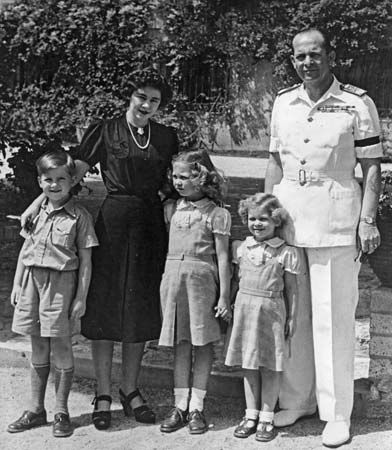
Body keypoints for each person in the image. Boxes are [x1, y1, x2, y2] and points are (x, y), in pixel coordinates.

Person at [20, 70, 179, 430]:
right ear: (130, 96)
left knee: (139, 308)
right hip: (114, 223)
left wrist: (173, 208)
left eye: (154, 100)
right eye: (141, 96)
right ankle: (104, 393)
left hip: (150, 227)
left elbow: (175, 182)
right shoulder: (106, 130)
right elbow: (70, 174)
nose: (146, 105)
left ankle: (131, 390)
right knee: (106, 308)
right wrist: (36, 205)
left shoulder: (167, 137)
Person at [265, 28, 383, 447]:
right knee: (294, 319)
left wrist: (367, 221)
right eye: (300, 56)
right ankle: (297, 400)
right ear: (293, 60)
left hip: (336, 221)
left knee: (333, 320)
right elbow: (276, 164)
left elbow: (372, 168)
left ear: (329, 56)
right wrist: (266, 216)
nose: (308, 62)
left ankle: (336, 413)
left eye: (315, 54)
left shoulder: (356, 102)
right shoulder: (283, 102)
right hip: (291, 222)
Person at [7, 150, 98, 438]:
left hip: (61, 285)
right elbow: (26, 251)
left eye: (61, 179)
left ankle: (61, 410)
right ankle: (36, 409)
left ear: (73, 181)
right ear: (39, 181)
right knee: (38, 347)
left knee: (61, 346)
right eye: (48, 179)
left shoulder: (79, 216)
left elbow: (86, 262)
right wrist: (18, 285)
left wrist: (81, 296)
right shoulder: (34, 213)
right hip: (32, 282)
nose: (54, 185)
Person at [158, 149, 232, 435]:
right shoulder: (171, 209)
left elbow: (223, 258)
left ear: (202, 178)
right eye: (175, 176)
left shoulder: (217, 214)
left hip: (201, 283)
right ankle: (179, 404)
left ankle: (197, 406)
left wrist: (224, 295)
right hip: (174, 283)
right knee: (181, 343)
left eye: (186, 177)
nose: (179, 182)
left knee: (202, 344)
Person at [225, 193, 300, 442]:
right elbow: (236, 281)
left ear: (276, 221)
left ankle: (267, 416)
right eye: (252, 218)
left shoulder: (286, 253)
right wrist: (229, 303)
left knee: (269, 365)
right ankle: (250, 414)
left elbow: (291, 289)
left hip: (272, 311)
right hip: (246, 310)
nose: (257, 224)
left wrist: (292, 317)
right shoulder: (242, 248)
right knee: (248, 364)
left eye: (264, 219)